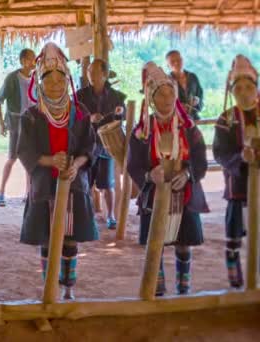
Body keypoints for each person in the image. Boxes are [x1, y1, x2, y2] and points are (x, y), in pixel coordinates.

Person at [17, 42, 98, 300]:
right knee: (46, 239)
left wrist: (75, 164)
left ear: (67, 82)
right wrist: (50, 161)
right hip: (44, 187)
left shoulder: (80, 112)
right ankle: (48, 288)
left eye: (59, 81)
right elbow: (25, 151)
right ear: (40, 85)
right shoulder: (31, 116)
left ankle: (68, 289)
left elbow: (91, 147)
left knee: (70, 238)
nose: (55, 86)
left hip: (73, 184)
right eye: (49, 81)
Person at [127, 62, 208, 296]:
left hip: (185, 193)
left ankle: (184, 288)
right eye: (161, 94)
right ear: (152, 99)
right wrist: (149, 175)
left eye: (171, 93)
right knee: (156, 243)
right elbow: (133, 163)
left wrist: (187, 173)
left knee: (183, 243)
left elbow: (200, 159)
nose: (167, 99)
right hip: (154, 195)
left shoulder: (189, 128)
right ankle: (157, 288)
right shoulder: (142, 131)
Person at [213, 55, 259, 289]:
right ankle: (236, 283)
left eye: (249, 87)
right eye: (238, 88)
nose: (244, 92)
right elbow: (220, 153)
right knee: (234, 240)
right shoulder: (226, 118)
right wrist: (240, 158)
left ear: (256, 89)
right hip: (238, 186)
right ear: (232, 91)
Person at [76, 59, 126, 229]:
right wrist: (89, 118)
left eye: (95, 72)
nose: (91, 75)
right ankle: (88, 215)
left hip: (106, 146)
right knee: (86, 183)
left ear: (104, 75)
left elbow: (122, 116)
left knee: (107, 184)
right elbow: (74, 117)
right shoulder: (80, 95)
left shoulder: (116, 96)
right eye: (89, 72)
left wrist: (120, 113)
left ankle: (111, 215)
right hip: (86, 145)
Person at [0, 48, 36, 206]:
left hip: (32, 124)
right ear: (23, 61)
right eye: (31, 59)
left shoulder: (36, 78)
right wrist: (1, 123)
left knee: (30, 159)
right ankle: (1, 193)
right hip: (16, 123)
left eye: (35, 59)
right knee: (12, 158)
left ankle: (29, 194)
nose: (34, 62)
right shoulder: (12, 78)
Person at [166, 50, 204, 121]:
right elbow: (164, 104)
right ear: (168, 65)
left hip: (193, 120)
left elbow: (200, 96)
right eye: (172, 61)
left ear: (182, 60)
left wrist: (197, 100)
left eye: (178, 60)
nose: (176, 63)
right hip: (175, 121)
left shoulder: (192, 77)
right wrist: (177, 107)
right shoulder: (166, 81)